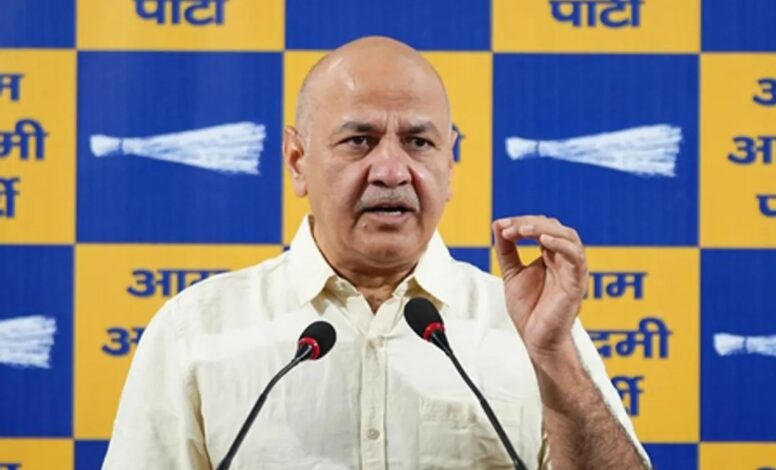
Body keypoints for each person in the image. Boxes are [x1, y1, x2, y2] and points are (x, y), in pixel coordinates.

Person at [103, 36, 651, 469]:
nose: (391, 171)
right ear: (297, 161)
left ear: (449, 163)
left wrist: (555, 360)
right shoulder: (196, 330)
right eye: (359, 140)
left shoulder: (530, 330)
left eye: (418, 142)